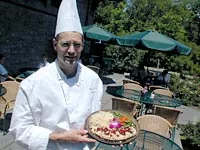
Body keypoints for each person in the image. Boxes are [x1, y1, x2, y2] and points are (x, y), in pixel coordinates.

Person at [9, 0, 103, 150]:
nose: (71, 50)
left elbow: (96, 122)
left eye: (77, 45)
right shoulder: (33, 83)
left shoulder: (94, 80)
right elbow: (19, 129)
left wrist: (112, 132)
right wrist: (58, 136)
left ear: (83, 46)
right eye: (65, 44)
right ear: (55, 45)